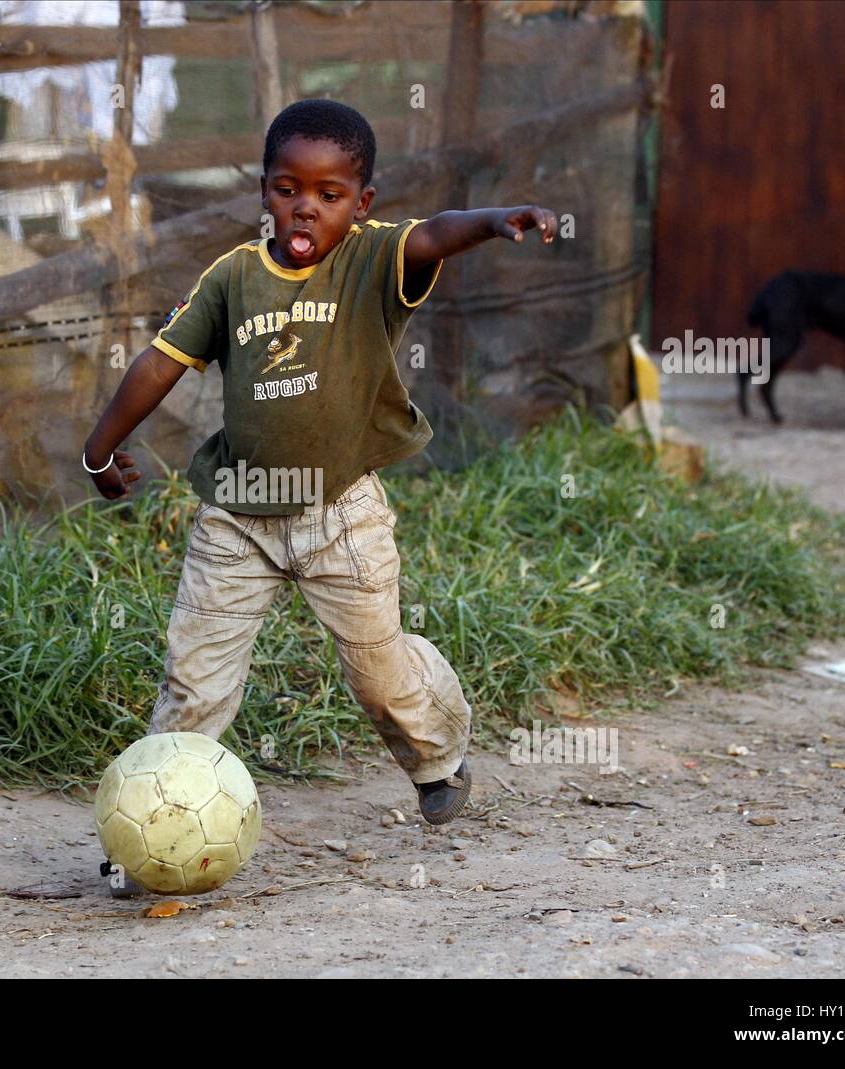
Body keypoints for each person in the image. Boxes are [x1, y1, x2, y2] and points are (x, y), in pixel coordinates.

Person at [84, 98, 556, 894]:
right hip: (237, 516)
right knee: (194, 681)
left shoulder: (373, 260)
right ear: (264, 192)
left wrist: (489, 219)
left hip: (342, 515)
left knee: (381, 673)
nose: (306, 206)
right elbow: (161, 362)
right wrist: (100, 445)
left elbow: (435, 230)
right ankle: (151, 835)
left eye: (329, 194)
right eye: (286, 188)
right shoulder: (232, 278)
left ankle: (439, 757)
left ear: (361, 203)